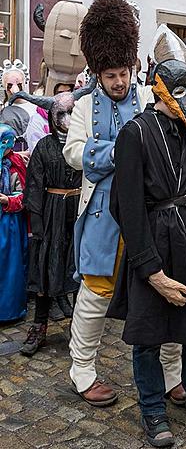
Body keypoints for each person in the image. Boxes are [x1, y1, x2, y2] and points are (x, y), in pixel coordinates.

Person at [107, 25, 186, 447]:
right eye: (182, 93)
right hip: (154, 240)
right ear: (161, 90)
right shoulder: (134, 134)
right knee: (149, 335)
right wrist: (150, 269)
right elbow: (125, 207)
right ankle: (153, 409)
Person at [63, 0, 182, 408]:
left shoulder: (150, 98)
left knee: (162, 292)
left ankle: (172, 376)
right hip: (102, 216)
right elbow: (73, 152)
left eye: (123, 73)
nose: (118, 82)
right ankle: (81, 370)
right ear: (98, 73)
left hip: (149, 215)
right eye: (110, 75)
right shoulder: (82, 106)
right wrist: (119, 153)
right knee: (95, 294)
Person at [17, 80, 95, 355]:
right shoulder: (44, 147)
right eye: (61, 114)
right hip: (50, 213)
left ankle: (79, 329)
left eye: (72, 112)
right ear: (52, 117)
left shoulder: (84, 144)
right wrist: (36, 223)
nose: (67, 119)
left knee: (78, 266)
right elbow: (34, 185)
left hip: (78, 210)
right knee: (44, 267)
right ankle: (39, 326)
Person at [0, 123, 28, 321]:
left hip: (9, 224)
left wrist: (8, 200)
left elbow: (24, 194)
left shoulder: (15, 163)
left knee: (10, 267)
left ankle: (9, 310)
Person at [0, 59, 36, 150]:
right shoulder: (4, 111)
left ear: (24, 83)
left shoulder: (36, 106)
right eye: (9, 85)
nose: (15, 89)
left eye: (19, 84)